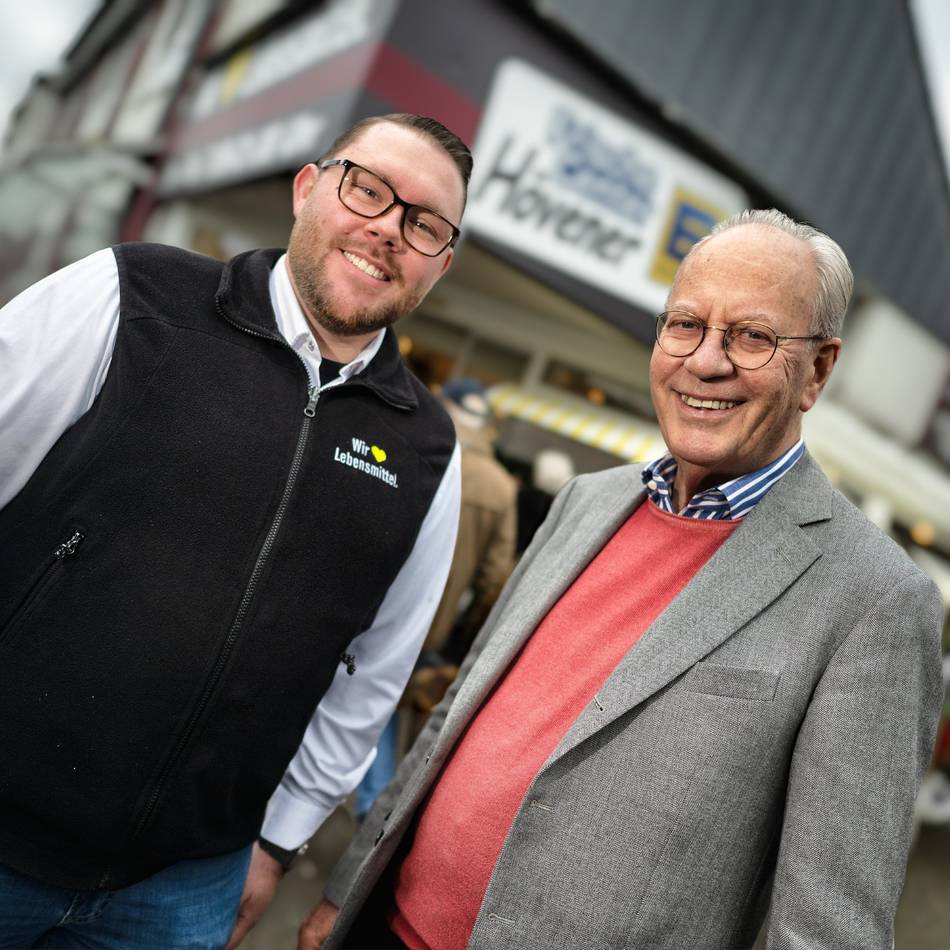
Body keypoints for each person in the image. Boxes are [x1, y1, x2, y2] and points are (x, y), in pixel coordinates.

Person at [300, 210, 945, 950]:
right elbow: (456, 716)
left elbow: (830, 930)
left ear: (819, 370)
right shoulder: (587, 501)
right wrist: (345, 890)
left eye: (753, 337)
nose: (706, 361)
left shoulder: (874, 600)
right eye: (685, 325)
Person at [0, 113, 471, 949]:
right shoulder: (130, 294)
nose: (387, 229)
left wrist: (278, 841)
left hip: (182, 892)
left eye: (423, 223)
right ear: (306, 188)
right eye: (367, 188)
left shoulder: (428, 449)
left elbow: (373, 676)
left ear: (440, 263)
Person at [356, 378, 517, 818]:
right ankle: (375, 813)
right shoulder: (502, 487)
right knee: (390, 710)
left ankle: (354, 806)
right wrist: (458, 638)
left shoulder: (423, 453)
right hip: (430, 629)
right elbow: (496, 579)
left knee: (356, 701)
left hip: (371, 609)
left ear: (448, 407)